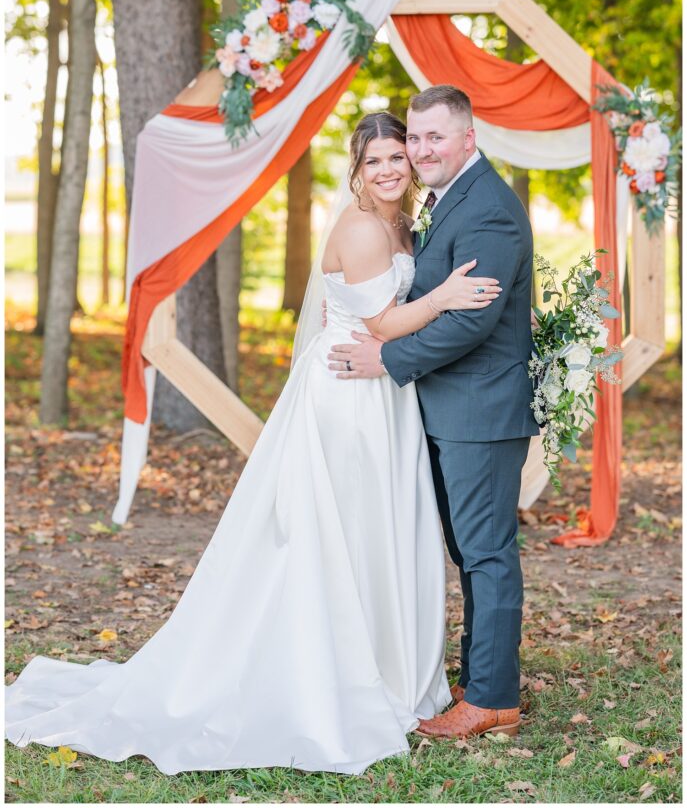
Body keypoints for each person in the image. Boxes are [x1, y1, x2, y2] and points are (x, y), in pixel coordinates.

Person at [5, 112, 502, 776]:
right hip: (348, 395)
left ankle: (386, 661)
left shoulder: (400, 224)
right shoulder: (359, 226)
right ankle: (336, 670)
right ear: (355, 169)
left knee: (378, 529)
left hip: (382, 389)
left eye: (397, 158)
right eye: (374, 160)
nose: (388, 169)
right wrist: (443, 295)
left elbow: (372, 312)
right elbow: (381, 320)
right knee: (342, 530)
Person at [329, 85, 540, 740]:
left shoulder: (488, 210)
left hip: (478, 410)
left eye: (432, 138)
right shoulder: (444, 199)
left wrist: (386, 361)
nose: (420, 151)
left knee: (484, 554)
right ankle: (480, 680)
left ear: (467, 138)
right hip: (450, 407)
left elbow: (469, 323)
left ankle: (491, 700)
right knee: (469, 549)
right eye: (412, 139)